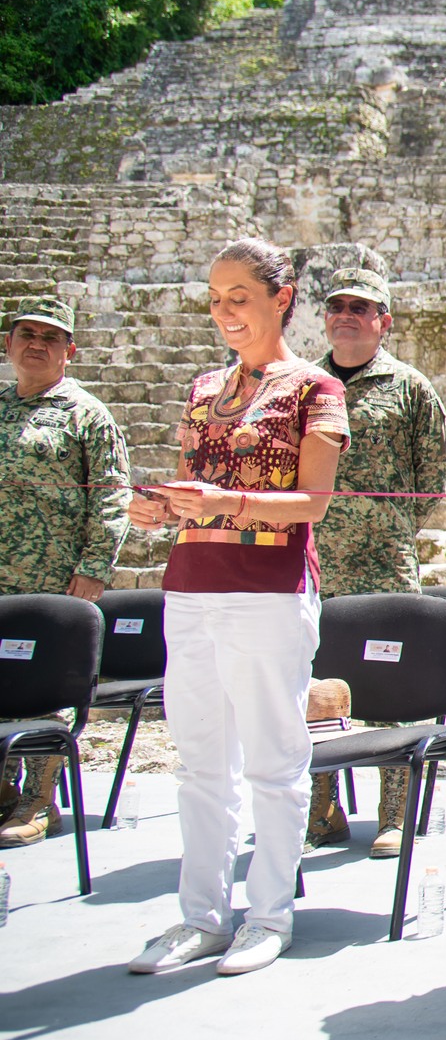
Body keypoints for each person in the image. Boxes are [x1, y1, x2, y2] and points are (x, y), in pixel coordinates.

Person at [126, 239, 350, 977]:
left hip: (268, 591)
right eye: (216, 298)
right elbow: (192, 488)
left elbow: (312, 503)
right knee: (199, 763)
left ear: (281, 298)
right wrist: (159, 507)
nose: (225, 311)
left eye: (240, 297)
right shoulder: (202, 388)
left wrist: (225, 501)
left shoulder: (316, 389)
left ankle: (269, 913)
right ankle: (200, 915)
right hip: (191, 584)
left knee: (273, 760)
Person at [302, 267, 446, 857]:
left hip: (384, 564)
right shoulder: (304, 384)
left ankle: (395, 812)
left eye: (360, 308)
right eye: (337, 305)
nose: (346, 315)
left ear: (383, 321)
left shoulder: (410, 388)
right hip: (313, 562)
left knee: (391, 685)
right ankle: (322, 810)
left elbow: (433, 477)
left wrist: (386, 526)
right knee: (314, 686)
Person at [0, 296, 130, 847]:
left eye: (50, 337)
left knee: (43, 688)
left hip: (54, 581)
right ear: (8, 344)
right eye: (26, 334)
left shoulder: (85, 415)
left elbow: (112, 494)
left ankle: (39, 800)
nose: (36, 344)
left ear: (69, 351)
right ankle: (3, 792)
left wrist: (94, 567)